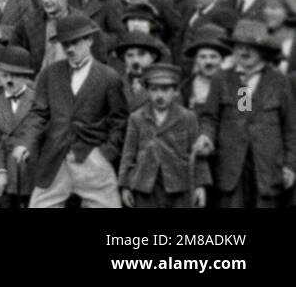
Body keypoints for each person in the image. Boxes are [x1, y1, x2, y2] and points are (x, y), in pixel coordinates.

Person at [13, 14, 127, 208]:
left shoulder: (109, 77)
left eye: (75, 42)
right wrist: (24, 143)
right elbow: (39, 113)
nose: (70, 49)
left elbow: (119, 121)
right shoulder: (50, 74)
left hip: (92, 159)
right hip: (55, 159)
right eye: (65, 44)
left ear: (89, 40)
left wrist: (106, 153)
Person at [196, 19, 296, 208]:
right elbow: (210, 118)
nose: (244, 52)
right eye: (239, 46)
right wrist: (205, 136)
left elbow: (291, 127)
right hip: (231, 169)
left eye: (251, 47)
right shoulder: (223, 79)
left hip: (267, 169)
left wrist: (290, 165)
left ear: (263, 51)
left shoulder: (279, 81)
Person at [119, 63, 209, 208]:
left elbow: (196, 154)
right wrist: (125, 185)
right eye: (154, 90)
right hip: (146, 185)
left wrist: (200, 185)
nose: (159, 95)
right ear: (147, 91)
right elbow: (128, 154)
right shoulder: (137, 118)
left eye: (165, 89)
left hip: (179, 185)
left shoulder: (187, 117)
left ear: (175, 91)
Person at [0, 46, 36, 208]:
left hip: (32, 172)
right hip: (8, 174)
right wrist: (0, 172)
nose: (9, 80)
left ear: (25, 77)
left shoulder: (36, 100)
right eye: (5, 75)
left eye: (15, 75)